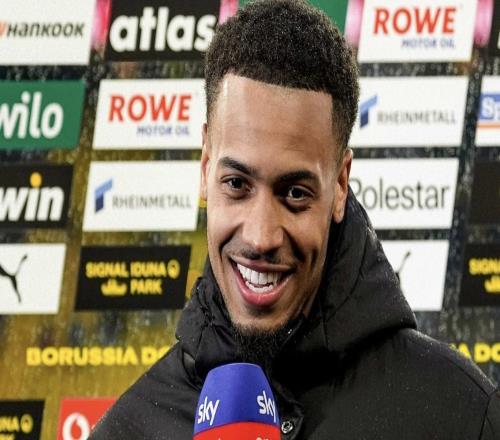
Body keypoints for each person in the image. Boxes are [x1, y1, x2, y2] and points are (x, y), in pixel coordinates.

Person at [91, 1, 500, 438]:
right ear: (206, 165)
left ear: (340, 184)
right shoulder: (128, 430)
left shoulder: (462, 415)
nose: (260, 237)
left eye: (294, 194)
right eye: (237, 184)